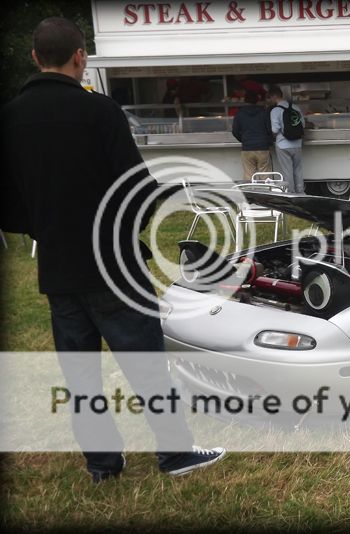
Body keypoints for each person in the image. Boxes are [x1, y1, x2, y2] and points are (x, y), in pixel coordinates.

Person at [0, 17, 225, 482]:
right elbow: (136, 188)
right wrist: (134, 231)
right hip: (115, 263)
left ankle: (102, 463)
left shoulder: (10, 117)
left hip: (59, 267)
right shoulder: (100, 111)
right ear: (80, 57)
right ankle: (175, 453)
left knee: (81, 375)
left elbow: (8, 201)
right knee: (145, 365)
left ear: (35, 58)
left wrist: (42, 227)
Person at [268, 86, 305, 193]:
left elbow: (275, 130)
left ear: (274, 96)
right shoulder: (295, 107)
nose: (270, 100)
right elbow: (303, 124)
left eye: (270, 98)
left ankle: (291, 193)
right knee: (298, 170)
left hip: (283, 145)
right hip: (297, 143)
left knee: (287, 171)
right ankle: (301, 193)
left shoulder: (275, 111)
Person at [232, 90, 273, 181]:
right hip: (262, 146)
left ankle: (250, 194)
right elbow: (270, 130)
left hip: (247, 147)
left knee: (249, 174)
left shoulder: (240, 113)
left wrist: (244, 139)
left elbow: (235, 131)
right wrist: (268, 141)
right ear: (257, 100)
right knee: (265, 174)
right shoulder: (264, 112)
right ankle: (267, 194)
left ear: (245, 100)